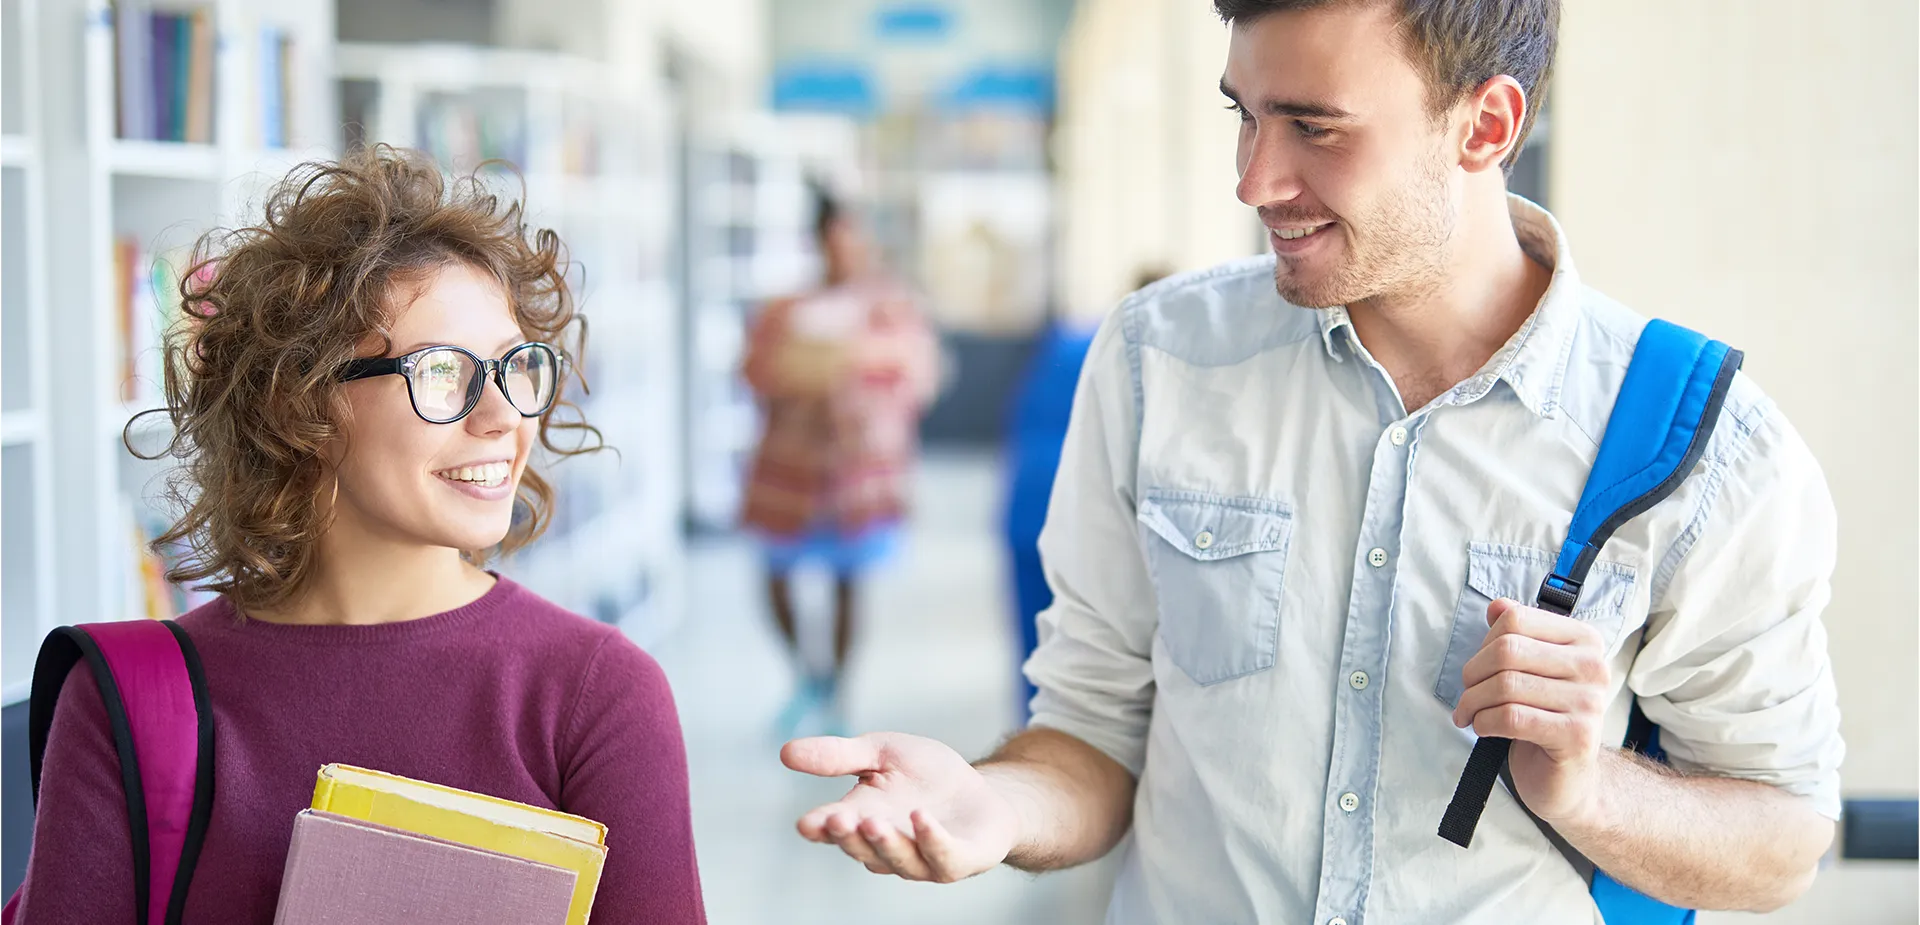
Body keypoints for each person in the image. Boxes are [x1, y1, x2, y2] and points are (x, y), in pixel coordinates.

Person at [780, 2, 1843, 922]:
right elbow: (1093, 736)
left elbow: (1784, 833)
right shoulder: (1159, 360)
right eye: (1244, 113)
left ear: (1486, 123)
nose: (1255, 179)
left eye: (1314, 127)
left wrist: (1588, 787)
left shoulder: (1706, 453)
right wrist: (992, 803)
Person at [14, 146, 706, 923]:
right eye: (443, 371)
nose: (504, 417)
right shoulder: (129, 701)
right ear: (298, 403)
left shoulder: (595, 695)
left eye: (518, 368)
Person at [740, 186, 939, 739]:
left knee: (849, 583)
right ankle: (810, 675)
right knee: (776, 578)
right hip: (789, 471)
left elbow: (914, 379)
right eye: (832, 239)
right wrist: (816, 376)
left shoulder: (890, 308)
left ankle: (835, 693)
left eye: (852, 237)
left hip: (858, 476)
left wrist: (839, 375)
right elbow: (759, 371)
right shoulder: (787, 309)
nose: (843, 250)